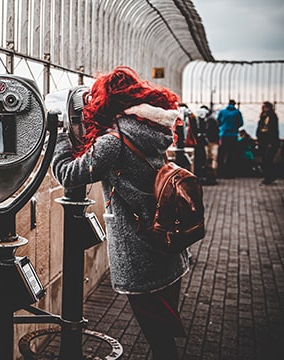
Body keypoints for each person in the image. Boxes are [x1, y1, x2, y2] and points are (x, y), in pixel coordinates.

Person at [51, 66, 188, 360]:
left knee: (159, 337)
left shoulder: (114, 141)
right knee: (162, 330)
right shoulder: (154, 128)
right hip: (166, 241)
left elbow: (69, 174)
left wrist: (60, 136)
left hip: (140, 247)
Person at [216, 99, 243, 178]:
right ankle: (230, 174)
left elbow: (218, 121)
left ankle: (220, 173)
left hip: (223, 135)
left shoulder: (222, 112)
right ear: (234, 104)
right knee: (231, 155)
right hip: (233, 135)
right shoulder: (237, 112)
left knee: (222, 155)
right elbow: (241, 123)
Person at [255, 101, 280, 185]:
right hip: (263, 141)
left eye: (264, 107)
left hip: (270, 142)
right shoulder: (263, 116)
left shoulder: (272, 117)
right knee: (265, 160)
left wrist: (271, 142)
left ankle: (270, 177)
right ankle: (269, 177)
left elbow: (273, 130)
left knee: (267, 160)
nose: (262, 108)